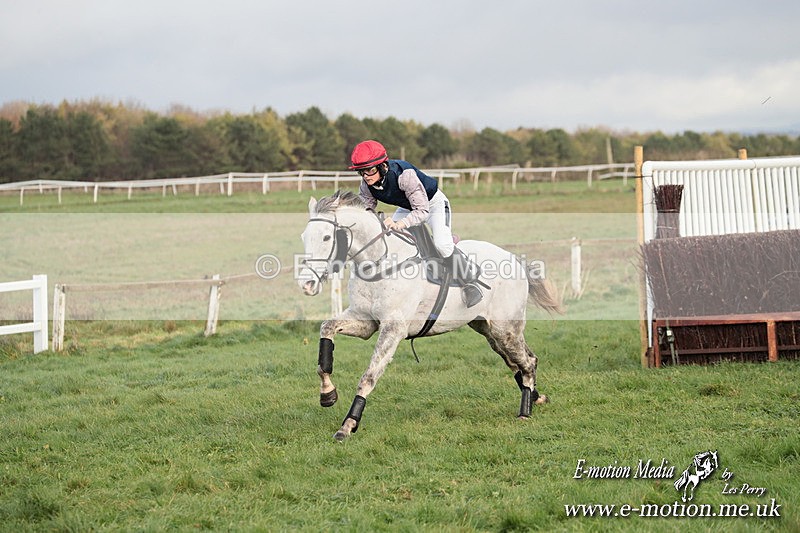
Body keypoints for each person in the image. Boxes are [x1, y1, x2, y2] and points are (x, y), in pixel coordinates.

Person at [349, 139, 483, 307]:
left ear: (383, 166)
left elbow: (422, 210)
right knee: (391, 237)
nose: (366, 176)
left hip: (433, 205)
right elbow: (366, 210)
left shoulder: (405, 175)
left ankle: (470, 283)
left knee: (442, 245)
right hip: (407, 207)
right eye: (362, 172)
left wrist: (400, 224)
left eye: (369, 170)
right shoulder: (366, 185)